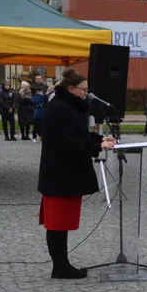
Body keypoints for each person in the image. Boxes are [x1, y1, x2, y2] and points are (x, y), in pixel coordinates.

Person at [37, 69, 118, 279]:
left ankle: (62, 264)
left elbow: (78, 134)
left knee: (62, 222)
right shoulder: (59, 108)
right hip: (59, 174)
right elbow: (64, 142)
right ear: (71, 89)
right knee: (57, 223)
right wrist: (95, 147)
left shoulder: (70, 106)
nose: (87, 94)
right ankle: (60, 267)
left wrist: (99, 140)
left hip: (67, 173)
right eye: (84, 90)